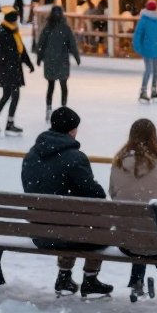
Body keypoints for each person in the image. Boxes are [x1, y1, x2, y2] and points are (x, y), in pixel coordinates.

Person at [21, 106, 113, 298]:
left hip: (40, 232)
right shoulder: (75, 158)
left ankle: (64, 276)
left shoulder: (31, 156)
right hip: (68, 233)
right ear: (72, 130)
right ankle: (90, 279)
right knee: (95, 222)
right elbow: (96, 195)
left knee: (70, 219)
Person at [109, 119, 157, 299]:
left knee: (141, 228)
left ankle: (137, 279)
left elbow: (114, 196)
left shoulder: (119, 163)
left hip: (127, 242)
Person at [0, 8, 34, 137]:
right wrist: (8, 64)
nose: (17, 23)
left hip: (13, 68)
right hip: (7, 70)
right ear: (12, 21)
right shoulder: (3, 32)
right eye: (16, 21)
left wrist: (28, 63)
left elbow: (21, 48)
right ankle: (2, 122)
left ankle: (0, 122)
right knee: (12, 95)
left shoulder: (12, 31)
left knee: (9, 95)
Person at [35, 5, 81, 121]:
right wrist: (76, 56)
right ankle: (63, 108)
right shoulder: (65, 28)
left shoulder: (47, 28)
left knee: (51, 86)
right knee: (63, 86)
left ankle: (49, 109)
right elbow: (72, 44)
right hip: (62, 61)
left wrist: (39, 58)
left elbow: (41, 44)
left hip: (50, 60)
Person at [131, 0, 157, 103]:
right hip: (148, 50)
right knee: (150, 71)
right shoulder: (145, 21)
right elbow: (138, 35)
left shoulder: (153, 21)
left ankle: (152, 92)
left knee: (155, 71)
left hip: (154, 50)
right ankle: (144, 92)